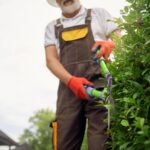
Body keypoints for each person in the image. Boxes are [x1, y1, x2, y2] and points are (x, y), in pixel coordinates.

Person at [44, 0, 119, 149]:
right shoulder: (52, 27)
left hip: (99, 85)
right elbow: (51, 60)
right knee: (64, 142)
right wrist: (71, 81)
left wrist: (110, 43)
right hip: (68, 88)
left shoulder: (99, 14)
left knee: (101, 142)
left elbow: (118, 36)